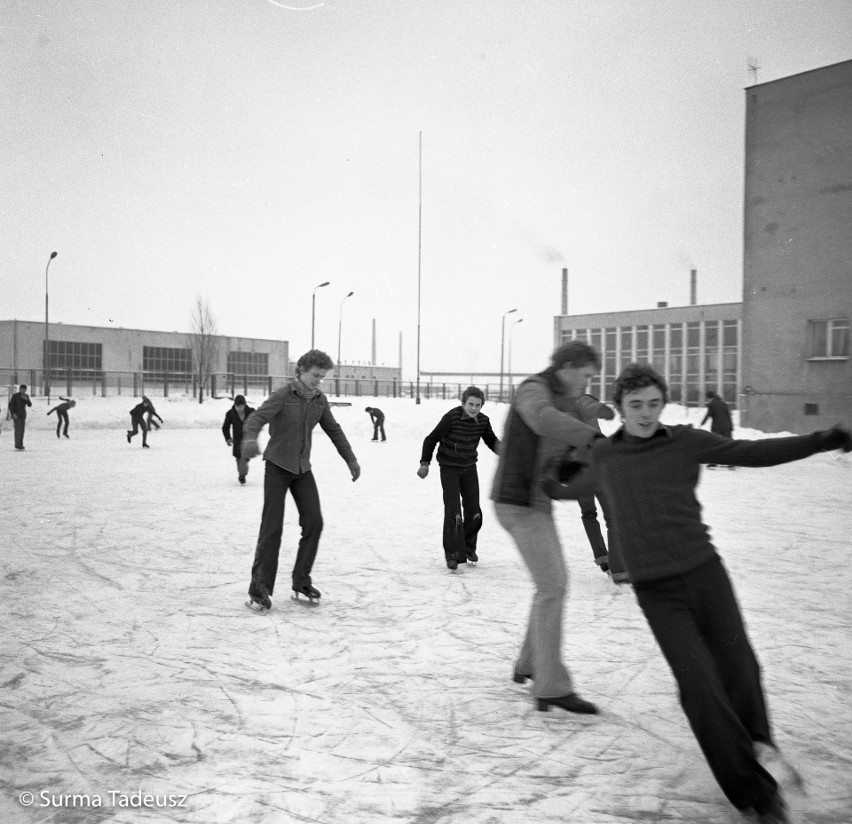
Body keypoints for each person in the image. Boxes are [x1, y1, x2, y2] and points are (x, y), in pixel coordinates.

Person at [549, 363, 851, 823]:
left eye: (654, 404)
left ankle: (758, 741)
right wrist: (556, 470)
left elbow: (752, 452)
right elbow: (566, 488)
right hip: (657, 591)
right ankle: (754, 794)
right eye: (636, 406)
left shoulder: (686, 442)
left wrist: (824, 439)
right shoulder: (607, 456)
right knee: (698, 685)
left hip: (706, 574)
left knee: (740, 666)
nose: (646, 414)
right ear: (621, 408)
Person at [490, 341, 602, 714]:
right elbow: (540, 418)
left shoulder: (568, 401)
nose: (587, 384)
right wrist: (591, 438)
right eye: (585, 376)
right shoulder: (534, 389)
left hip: (536, 503)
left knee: (551, 585)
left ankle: (529, 663)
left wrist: (576, 461)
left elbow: (567, 449)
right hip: (517, 503)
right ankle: (551, 685)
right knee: (553, 585)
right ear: (567, 367)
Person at [242, 349, 361, 610]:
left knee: (314, 522)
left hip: (301, 470)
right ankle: (259, 587)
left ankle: (301, 580)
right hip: (277, 466)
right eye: (315, 375)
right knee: (272, 527)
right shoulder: (283, 395)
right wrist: (250, 438)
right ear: (301, 371)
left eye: (322, 376)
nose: (319, 380)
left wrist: (350, 459)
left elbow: (334, 430)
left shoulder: (319, 400)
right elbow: (257, 418)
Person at [418, 386, 500, 569]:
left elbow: (492, 441)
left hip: (469, 468)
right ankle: (453, 554)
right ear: (463, 403)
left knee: (475, 512)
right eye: (470, 404)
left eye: (478, 405)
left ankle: (468, 547)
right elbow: (431, 439)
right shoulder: (452, 417)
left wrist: (507, 453)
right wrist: (425, 463)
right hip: (449, 468)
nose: (473, 408)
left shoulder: (483, 421)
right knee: (454, 512)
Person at [575, 393, 628, 583]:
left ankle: (602, 557)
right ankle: (619, 568)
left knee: (589, 514)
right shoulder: (587, 405)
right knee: (612, 517)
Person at [222, 394, 255, 484]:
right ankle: (242, 475)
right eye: (238, 406)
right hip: (237, 440)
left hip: (248, 440)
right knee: (239, 458)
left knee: (246, 459)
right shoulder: (230, 414)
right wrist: (228, 438)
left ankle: (243, 473)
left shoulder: (251, 412)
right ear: (235, 405)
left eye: (242, 406)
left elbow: (257, 422)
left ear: (245, 405)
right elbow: (225, 427)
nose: (240, 408)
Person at [701, 389, 735, 468]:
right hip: (727, 426)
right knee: (729, 444)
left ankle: (713, 462)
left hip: (717, 427)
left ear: (709, 398)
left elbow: (708, 415)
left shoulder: (712, 404)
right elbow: (728, 415)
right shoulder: (724, 403)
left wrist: (702, 423)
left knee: (714, 443)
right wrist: (731, 427)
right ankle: (732, 462)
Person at [9, 384, 32, 450]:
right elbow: (11, 405)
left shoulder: (26, 396)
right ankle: (17, 445)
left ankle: (20, 444)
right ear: (20, 389)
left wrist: (27, 399)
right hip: (16, 415)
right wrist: (13, 413)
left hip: (22, 415)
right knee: (18, 430)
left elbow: (30, 405)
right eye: (22, 389)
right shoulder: (15, 396)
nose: (23, 391)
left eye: (24, 390)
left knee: (22, 430)